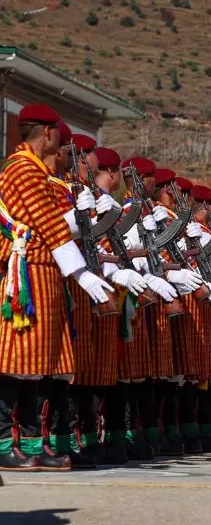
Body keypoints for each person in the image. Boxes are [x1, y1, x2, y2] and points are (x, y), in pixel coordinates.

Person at [0, 104, 114, 471]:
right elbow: (48, 227)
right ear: (47, 133)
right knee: (16, 362)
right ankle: (4, 443)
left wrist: (79, 219)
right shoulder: (23, 170)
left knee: (38, 365)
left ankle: (33, 444)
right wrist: (81, 273)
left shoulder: (37, 170)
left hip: (46, 271)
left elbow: (53, 226)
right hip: (28, 273)